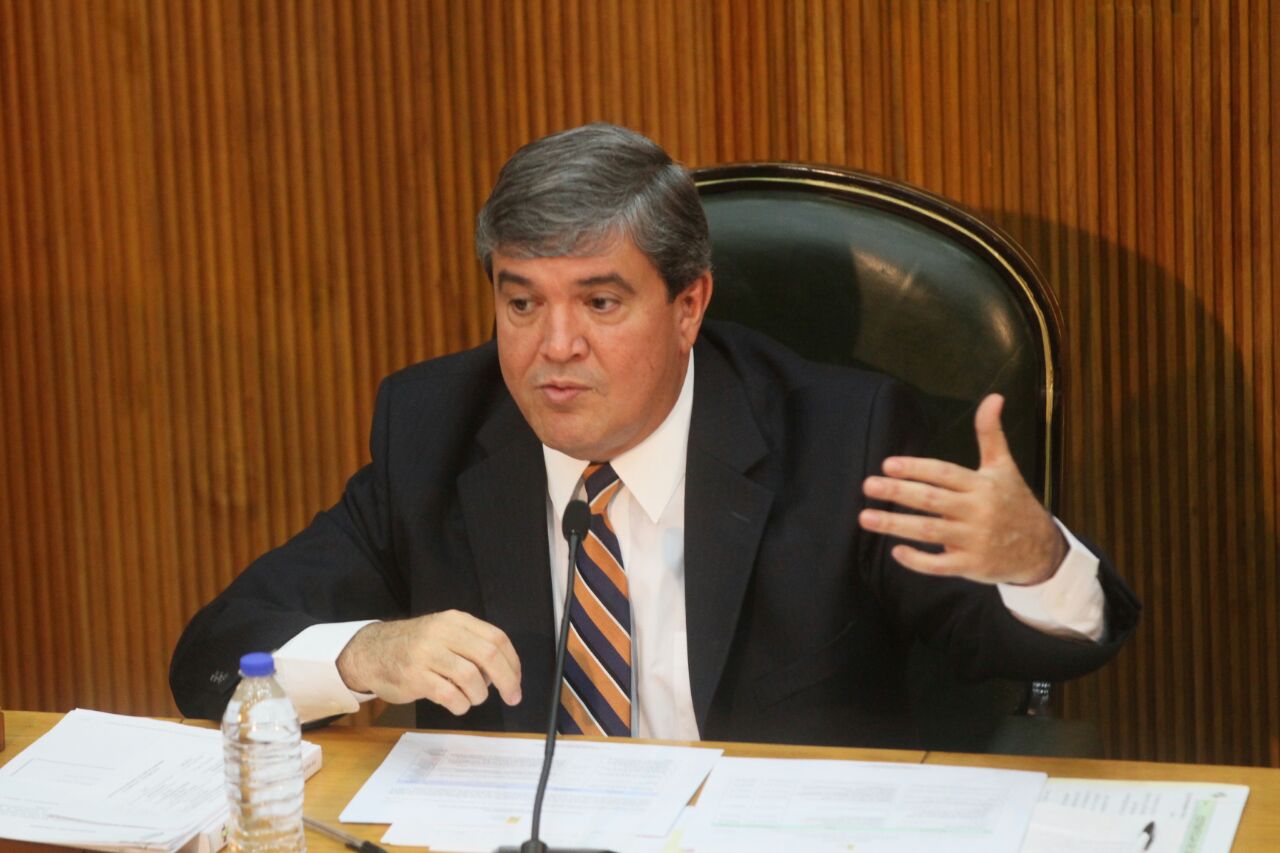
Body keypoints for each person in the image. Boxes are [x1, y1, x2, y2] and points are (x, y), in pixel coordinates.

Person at [171, 123, 1139, 748]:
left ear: (687, 305)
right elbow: (214, 659)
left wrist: (1037, 562)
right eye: (520, 303)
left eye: (600, 302)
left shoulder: (839, 434)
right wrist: (362, 656)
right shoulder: (438, 425)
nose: (554, 348)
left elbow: (1037, 653)